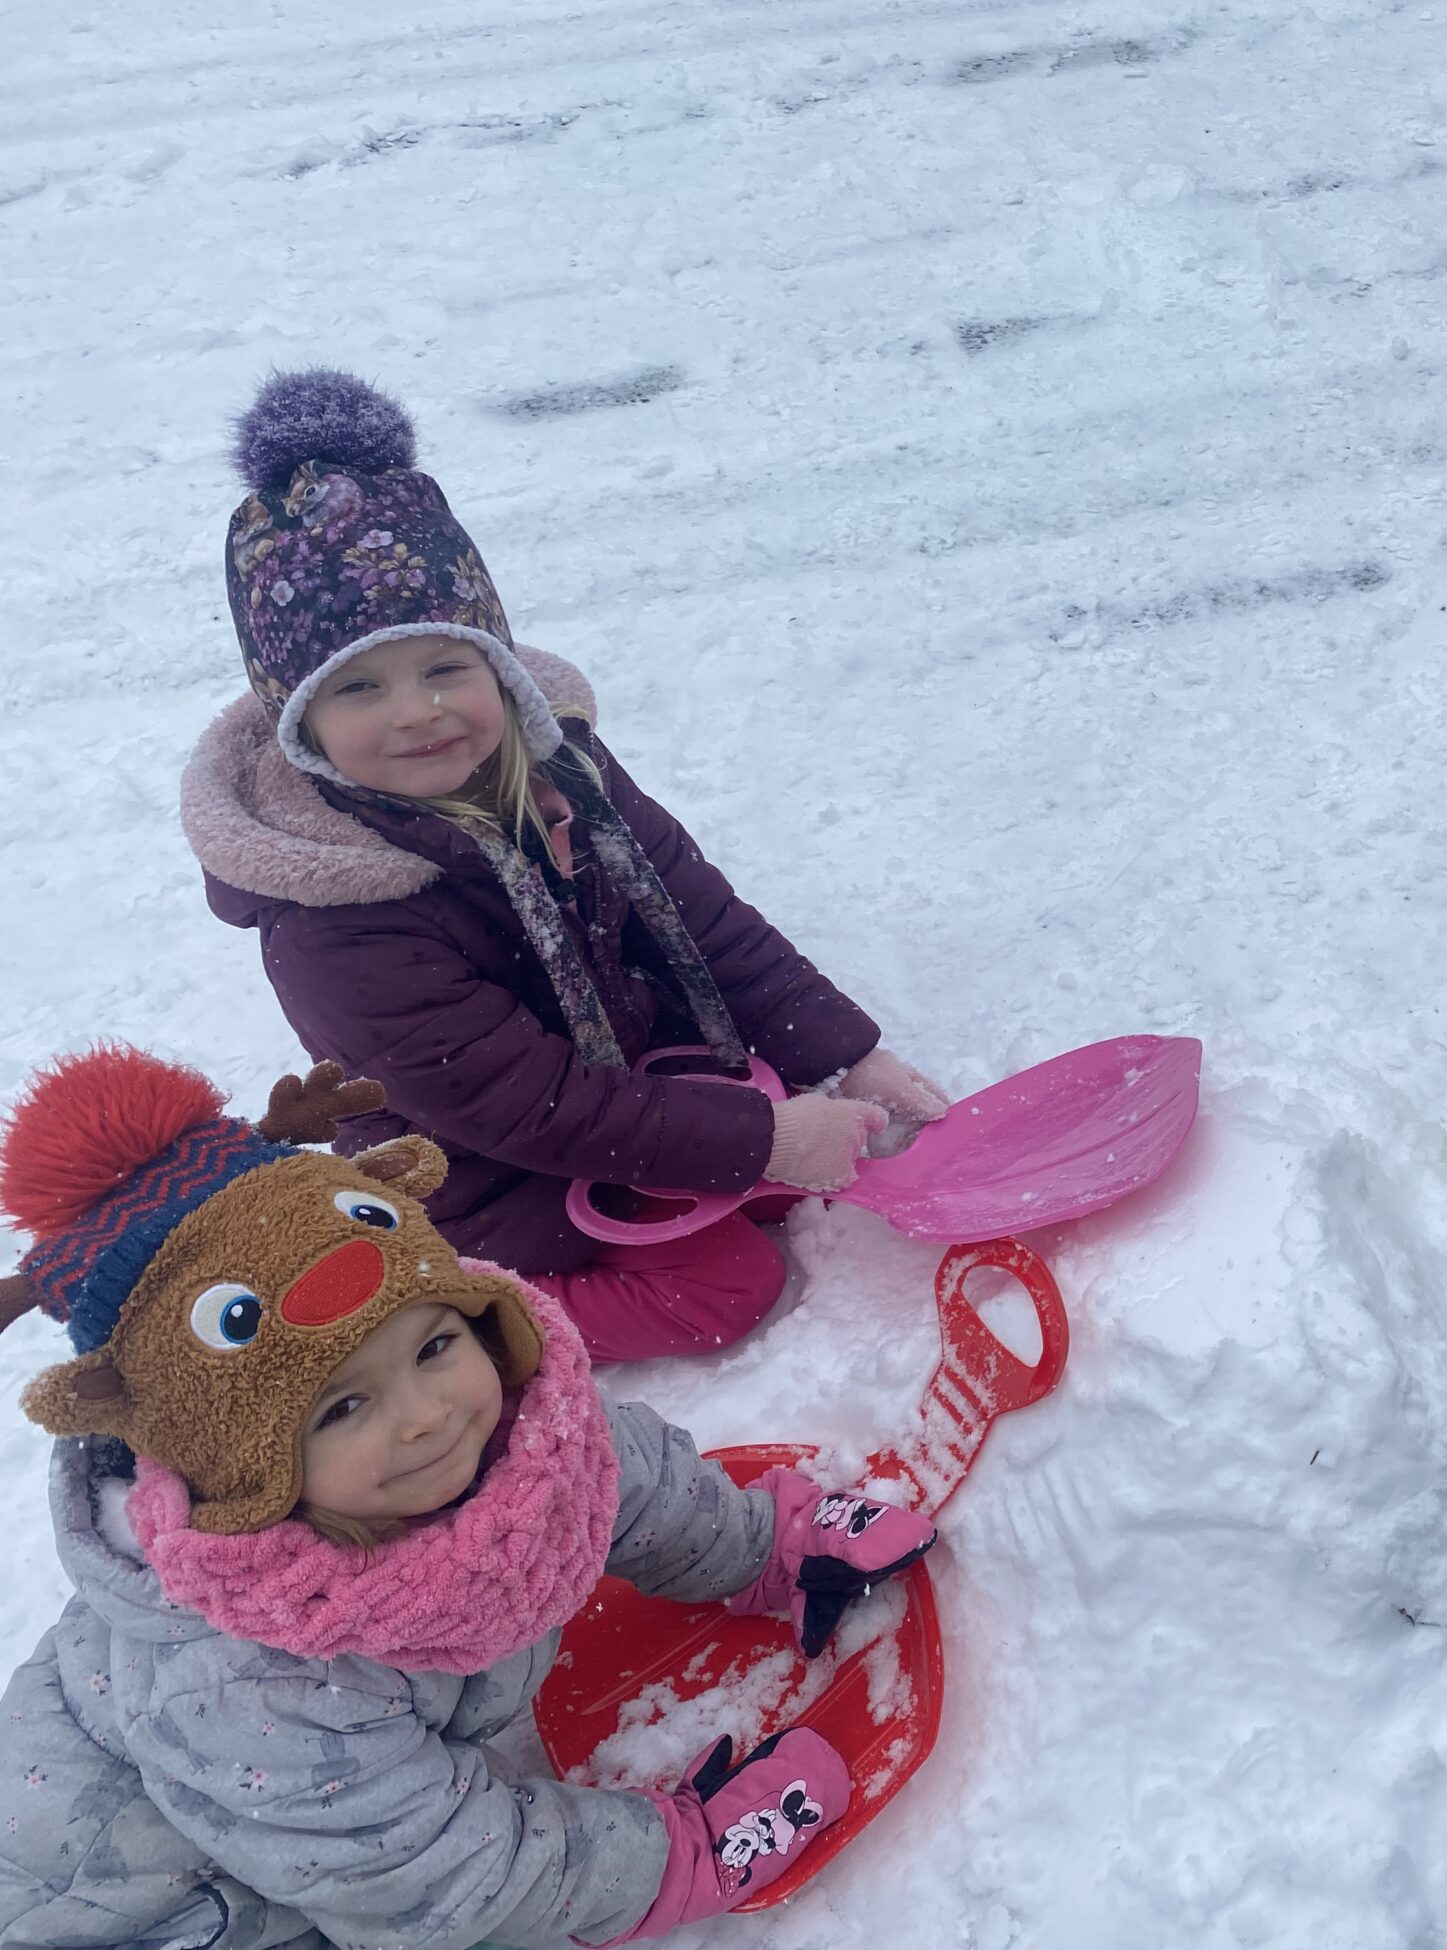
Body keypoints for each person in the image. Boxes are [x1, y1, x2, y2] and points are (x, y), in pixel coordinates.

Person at [0, 1044, 937, 1948]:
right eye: (343, 1407)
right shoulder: (251, 1687)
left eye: (435, 1345)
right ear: (239, 1471)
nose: (429, 1415)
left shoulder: (498, 1422)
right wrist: (671, 1858)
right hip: (143, 1905)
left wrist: (758, 1546)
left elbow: (608, 1477)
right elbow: (427, 1876)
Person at [179, 369, 949, 1363]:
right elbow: (520, 1105)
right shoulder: (332, 918)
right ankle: (467, 1316)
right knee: (725, 1284)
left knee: (796, 1173)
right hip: (482, 1165)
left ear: (496, 665)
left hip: (615, 1076)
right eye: (360, 688)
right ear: (303, 724)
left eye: (445, 667)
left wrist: (839, 1052)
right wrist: (763, 1140)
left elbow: (700, 915)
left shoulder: (563, 772)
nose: (418, 711)